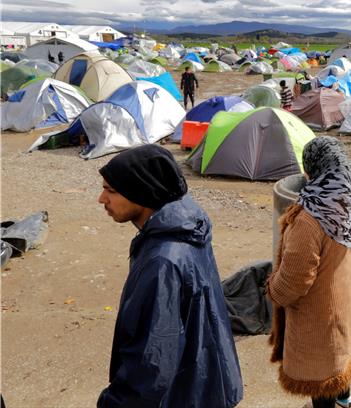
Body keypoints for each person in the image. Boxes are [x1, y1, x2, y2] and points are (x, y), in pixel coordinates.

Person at [96, 145, 243, 408]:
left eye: (111, 190)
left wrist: (114, 403)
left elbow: (152, 360)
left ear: (141, 193)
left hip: (185, 395)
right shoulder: (185, 226)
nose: (101, 199)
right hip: (207, 382)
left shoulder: (162, 260)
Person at [267, 137, 351, 408]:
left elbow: (294, 281)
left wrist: (272, 289)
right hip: (342, 299)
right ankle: (346, 401)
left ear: (310, 170)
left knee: (321, 378)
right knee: (340, 360)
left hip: (319, 313)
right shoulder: (349, 197)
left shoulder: (310, 218)